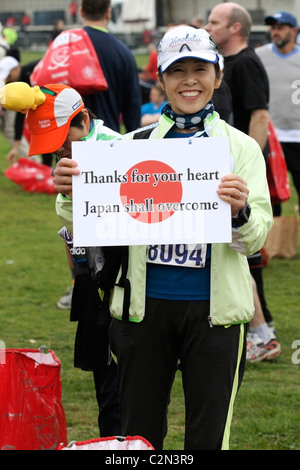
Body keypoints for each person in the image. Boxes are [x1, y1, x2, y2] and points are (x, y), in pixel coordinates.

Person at [53, 26, 273, 450]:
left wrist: (241, 211)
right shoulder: (132, 145)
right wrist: (69, 192)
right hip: (142, 312)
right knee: (138, 437)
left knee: (207, 439)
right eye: (177, 71)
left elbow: (257, 238)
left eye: (200, 69)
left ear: (218, 75)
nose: (190, 80)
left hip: (216, 315)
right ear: (162, 79)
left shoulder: (241, 148)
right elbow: (88, 223)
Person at [15, 82, 121, 437]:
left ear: (85, 121)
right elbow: (72, 231)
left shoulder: (118, 152)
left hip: (124, 289)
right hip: (93, 282)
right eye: (51, 145)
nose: (58, 151)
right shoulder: (69, 161)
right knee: (104, 388)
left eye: (63, 139)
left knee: (120, 390)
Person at [205, 2, 279, 348]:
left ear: (235, 28)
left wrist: (244, 167)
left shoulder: (246, 63)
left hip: (236, 173)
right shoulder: (225, 61)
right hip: (223, 173)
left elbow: (259, 118)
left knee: (245, 252)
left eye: (215, 22)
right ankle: (258, 326)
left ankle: (262, 332)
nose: (208, 27)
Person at [256, 11, 300, 214]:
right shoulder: (260, 55)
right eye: (273, 28)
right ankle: (272, 243)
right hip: (271, 135)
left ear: (294, 30)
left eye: (280, 28)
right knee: (270, 194)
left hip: (297, 135)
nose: (275, 32)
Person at [79, 0, 141, 134]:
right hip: (108, 138)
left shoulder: (67, 46)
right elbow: (132, 107)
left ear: (81, 12)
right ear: (108, 13)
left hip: (70, 143)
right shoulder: (122, 52)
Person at [0, 56, 53, 166]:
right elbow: (19, 116)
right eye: (6, 78)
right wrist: (16, 147)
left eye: (8, 76)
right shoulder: (18, 87)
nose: (8, 80)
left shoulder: (34, 69)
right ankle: (47, 171)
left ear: (16, 69)